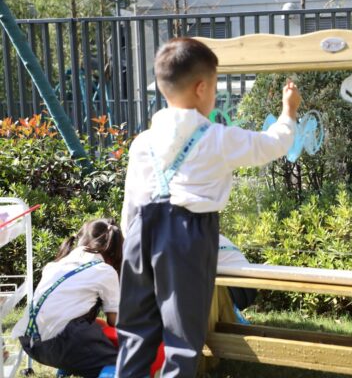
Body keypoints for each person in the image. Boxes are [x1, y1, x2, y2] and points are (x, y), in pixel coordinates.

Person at [117, 37, 300, 377]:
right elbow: (272, 145)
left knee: (135, 331)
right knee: (182, 337)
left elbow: (131, 200)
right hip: (187, 233)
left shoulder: (143, 141)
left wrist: (132, 242)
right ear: (202, 88)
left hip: (140, 232)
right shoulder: (218, 138)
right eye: (215, 87)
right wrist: (288, 112)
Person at [12, 218, 123, 378]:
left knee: (88, 328)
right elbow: (115, 321)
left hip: (30, 343)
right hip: (61, 347)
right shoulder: (104, 270)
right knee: (121, 363)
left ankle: (65, 370)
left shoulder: (56, 264)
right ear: (113, 250)